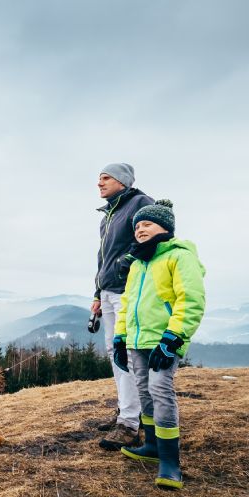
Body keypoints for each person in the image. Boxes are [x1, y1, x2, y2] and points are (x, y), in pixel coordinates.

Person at [112, 199, 206, 489]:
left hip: (163, 340)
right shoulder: (139, 262)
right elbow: (126, 304)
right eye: (137, 226)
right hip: (137, 340)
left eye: (147, 224)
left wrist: (173, 338)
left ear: (164, 227)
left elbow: (191, 299)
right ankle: (152, 446)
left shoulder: (179, 256)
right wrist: (120, 336)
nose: (140, 230)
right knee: (144, 391)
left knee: (160, 390)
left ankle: (169, 461)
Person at [91, 163, 154, 450]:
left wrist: (124, 265)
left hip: (128, 290)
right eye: (99, 178)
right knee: (115, 354)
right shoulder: (108, 216)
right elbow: (102, 259)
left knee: (126, 354)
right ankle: (127, 412)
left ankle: (130, 423)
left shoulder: (140, 203)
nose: (99, 183)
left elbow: (151, 237)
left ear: (123, 181)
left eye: (106, 178)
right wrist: (97, 293)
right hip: (108, 291)